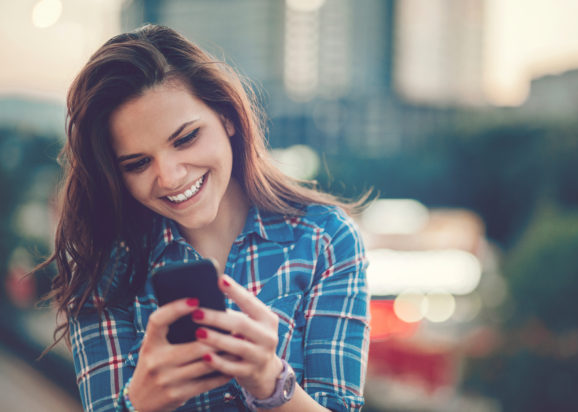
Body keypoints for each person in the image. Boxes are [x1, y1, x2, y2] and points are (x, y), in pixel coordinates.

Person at [40, 24, 370, 411]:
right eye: (137, 163)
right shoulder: (105, 269)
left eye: (185, 138)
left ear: (227, 117)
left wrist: (270, 382)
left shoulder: (324, 239)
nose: (170, 175)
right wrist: (141, 402)